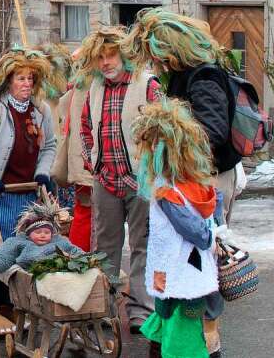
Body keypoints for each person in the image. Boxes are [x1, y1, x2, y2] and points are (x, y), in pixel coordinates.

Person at [75, 26, 162, 333]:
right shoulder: (95, 89)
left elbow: (162, 130)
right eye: (99, 57)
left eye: (111, 55)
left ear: (124, 55)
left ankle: (141, 311)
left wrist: (151, 169)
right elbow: (85, 128)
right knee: (104, 247)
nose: (105, 63)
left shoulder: (148, 84)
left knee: (143, 246)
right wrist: (93, 163)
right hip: (106, 181)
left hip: (139, 181)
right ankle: (103, 309)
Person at [124, 8, 240, 224]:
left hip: (209, 177)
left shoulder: (204, 76)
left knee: (209, 247)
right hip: (195, 175)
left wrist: (165, 130)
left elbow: (212, 132)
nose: (154, 60)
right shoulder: (184, 74)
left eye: (155, 53)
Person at [0, 47, 56, 315]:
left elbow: (49, 145)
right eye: (20, 78)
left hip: (26, 196)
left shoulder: (41, 111)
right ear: (8, 81)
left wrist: (43, 172)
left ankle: (15, 307)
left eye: (30, 79)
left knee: (21, 252)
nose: (26, 84)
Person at [132, 99, 225, 358]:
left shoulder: (168, 189)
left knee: (181, 325)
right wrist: (213, 233)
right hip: (181, 269)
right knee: (173, 319)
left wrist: (208, 236)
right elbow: (212, 208)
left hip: (181, 270)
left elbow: (194, 230)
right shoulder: (193, 181)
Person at [0, 199, 86, 287]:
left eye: (47, 232)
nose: (42, 235)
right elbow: (1, 257)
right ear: (29, 233)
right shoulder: (20, 242)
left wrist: (87, 260)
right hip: (33, 270)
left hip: (59, 271)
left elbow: (74, 250)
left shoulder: (59, 241)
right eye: (38, 232)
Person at [50, 47, 95, 252]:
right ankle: (81, 261)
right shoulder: (87, 86)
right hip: (88, 162)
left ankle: (79, 259)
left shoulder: (79, 85)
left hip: (82, 162)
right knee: (85, 212)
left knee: (83, 212)